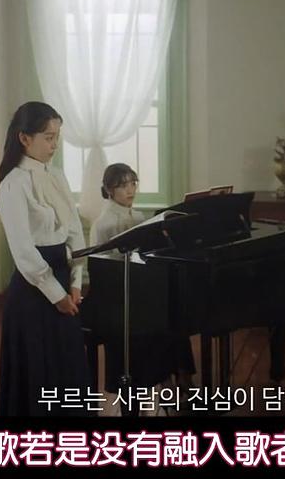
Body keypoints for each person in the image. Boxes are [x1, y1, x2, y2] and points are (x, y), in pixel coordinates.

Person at [0, 101, 93, 416]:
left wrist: (75, 282)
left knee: (69, 369)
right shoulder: (13, 184)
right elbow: (23, 251)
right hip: (34, 290)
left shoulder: (57, 176)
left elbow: (75, 233)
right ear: (24, 138)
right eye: (48, 137)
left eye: (57, 137)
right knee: (38, 376)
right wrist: (57, 295)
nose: (54, 144)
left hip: (64, 280)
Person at [90, 163, 197, 413]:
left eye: (133, 183)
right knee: (155, 320)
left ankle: (179, 378)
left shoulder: (138, 217)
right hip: (117, 296)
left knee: (175, 315)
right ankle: (163, 380)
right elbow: (103, 270)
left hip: (140, 289)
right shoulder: (103, 223)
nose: (130, 190)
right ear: (109, 189)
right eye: (123, 185)